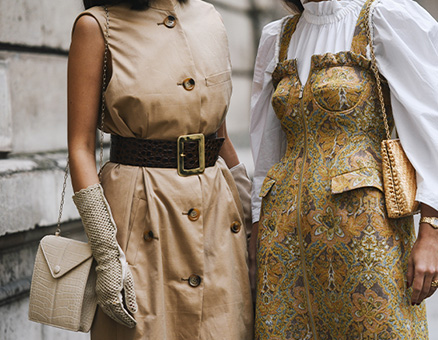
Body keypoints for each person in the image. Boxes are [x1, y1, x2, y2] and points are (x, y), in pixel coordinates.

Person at [249, 0, 438, 338]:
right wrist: (256, 228)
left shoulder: (382, 18)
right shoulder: (277, 36)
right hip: (284, 239)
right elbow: (266, 150)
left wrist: (432, 230)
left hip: (367, 234)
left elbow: (431, 124)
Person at [68, 0, 253, 339]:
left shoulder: (210, 18)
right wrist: (107, 255)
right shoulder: (97, 27)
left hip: (218, 220)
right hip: (140, 217)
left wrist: (253, 220)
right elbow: (80, 148)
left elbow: (220, 137)